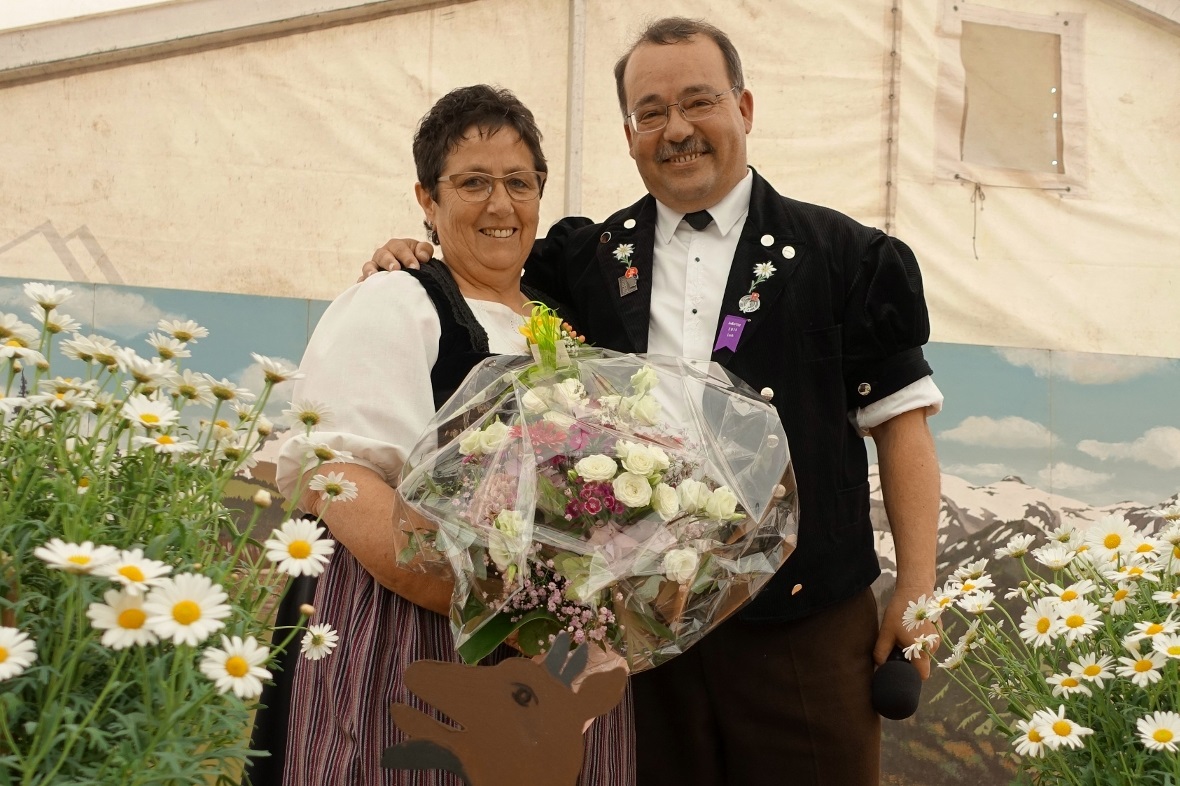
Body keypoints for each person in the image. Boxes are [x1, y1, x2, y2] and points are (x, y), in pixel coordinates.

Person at [367, 17, 942, 786]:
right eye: (651, 112)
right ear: (629, 131)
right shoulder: (585, 258)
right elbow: (485, 247)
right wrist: (414, 249)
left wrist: (916, 587)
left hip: (805, 627)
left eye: (698, 102)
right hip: (638, 638)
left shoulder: (846, 255)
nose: (676, 130)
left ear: (744, 107)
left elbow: (900, 428)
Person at [276, 84, 635, 786]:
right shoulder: (396, 300)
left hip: (558, 656)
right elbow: (336, 476)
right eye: (472, 183)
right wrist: (505, 601)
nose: (500, 205)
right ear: (427, 199)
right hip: (420, 639)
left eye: (519, 183)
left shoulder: (562, 327)